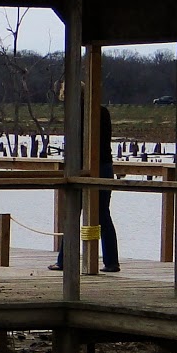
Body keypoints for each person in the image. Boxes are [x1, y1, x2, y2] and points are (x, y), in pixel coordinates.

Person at [50, 105, 120, 273]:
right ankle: (111, 261)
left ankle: (64, 260)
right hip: (104, 166)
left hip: (85, 167)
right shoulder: (102, 111)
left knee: (74, 212)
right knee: (103, 214)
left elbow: (78, 142)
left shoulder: (79, 113)